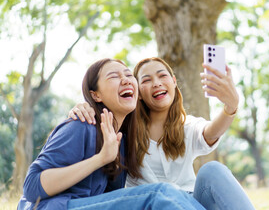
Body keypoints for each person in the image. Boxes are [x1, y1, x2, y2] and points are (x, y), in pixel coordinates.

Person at [18, 58, 205, 210]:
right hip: (56, 207)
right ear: (96, 95)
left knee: (176, 193)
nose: (125, 79)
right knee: (159, 194)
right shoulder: (82, 125)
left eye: (128, 75)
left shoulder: (122, 141)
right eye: (114, 76)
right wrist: (100, 159)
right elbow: (32, 187)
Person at [69, 57, 255, 210]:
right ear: (138, 92)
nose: (156, 83)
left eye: (162, 76)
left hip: (192, 203)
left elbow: (211, 133)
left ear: (173, 82)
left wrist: (230, 107)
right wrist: (84, 106)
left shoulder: (187, 126)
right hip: (153, 204)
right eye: (147, 80)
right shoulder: (124, 129)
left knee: (212, 170)